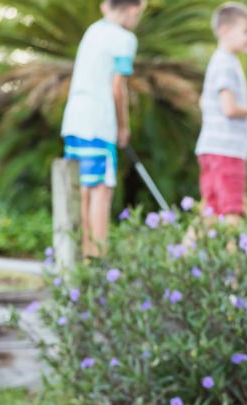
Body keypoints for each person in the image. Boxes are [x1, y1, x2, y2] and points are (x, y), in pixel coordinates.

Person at [60, 0, 144, 257]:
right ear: (132, 9)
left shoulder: (93, 30)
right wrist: (123, 127)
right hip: (99, 121)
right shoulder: (124, 39)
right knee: (101, 190)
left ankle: (80, 258)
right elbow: (117, 87)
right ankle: (97, 258)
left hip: (74, 119)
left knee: (82, 189)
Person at [195, 2, 247, 222]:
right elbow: (228, 108)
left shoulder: (217, 61)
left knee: (209, 211)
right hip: (227, 151)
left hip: (210, 148)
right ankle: (233, 257)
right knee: (232, 210)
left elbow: (204, 102)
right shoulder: (227, 63)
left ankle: (180, 255)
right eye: (246, 31)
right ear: (224, 31)